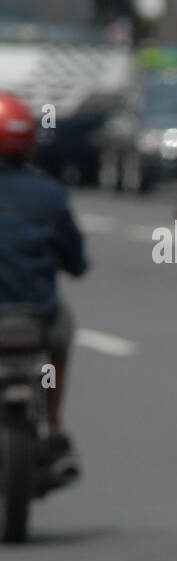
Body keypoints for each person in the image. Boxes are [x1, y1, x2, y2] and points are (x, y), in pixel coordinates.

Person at [0, 92, 87, 477]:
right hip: (36, 318)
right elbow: (76, 261)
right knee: (63, 332)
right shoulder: (49, 193)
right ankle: (52, 424)